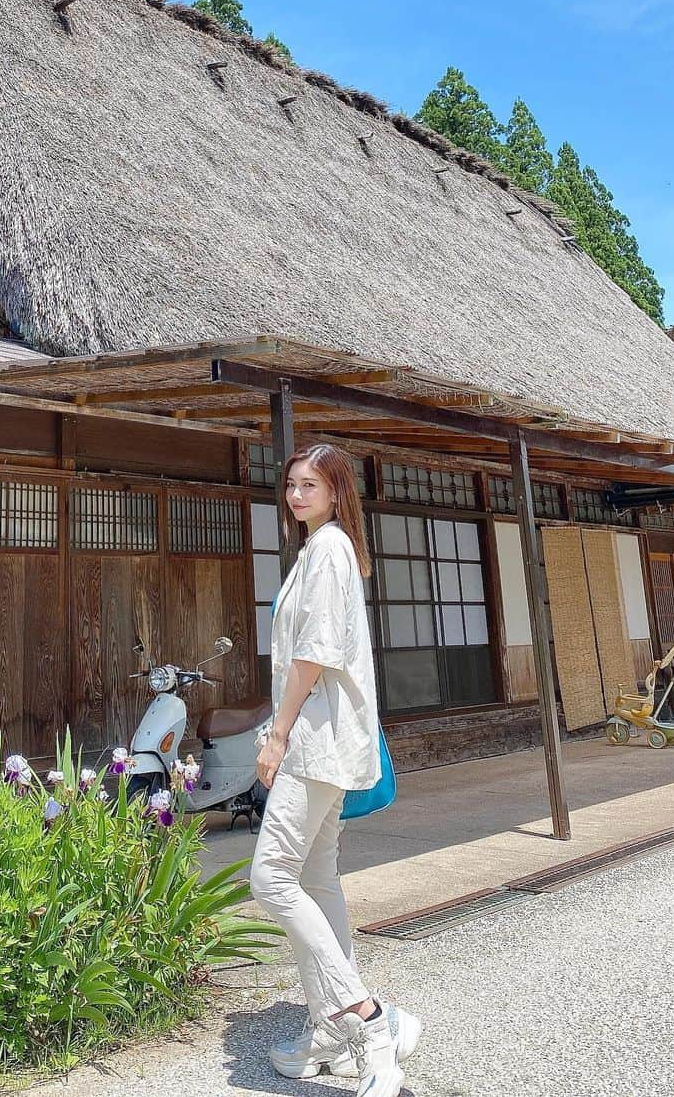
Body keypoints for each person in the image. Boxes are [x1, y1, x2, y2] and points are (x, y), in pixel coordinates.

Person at [249, 443, 421, 1097]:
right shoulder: (324, 549)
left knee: (270, 876)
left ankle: (368, 1019)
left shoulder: (327, 552)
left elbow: (314, 654)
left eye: (310, 486)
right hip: (322, 738)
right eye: (292, 485)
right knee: (315, 877)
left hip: (314, 739)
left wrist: (279, 734)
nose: (297, 496)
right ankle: (328, 1027)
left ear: (335, 491)